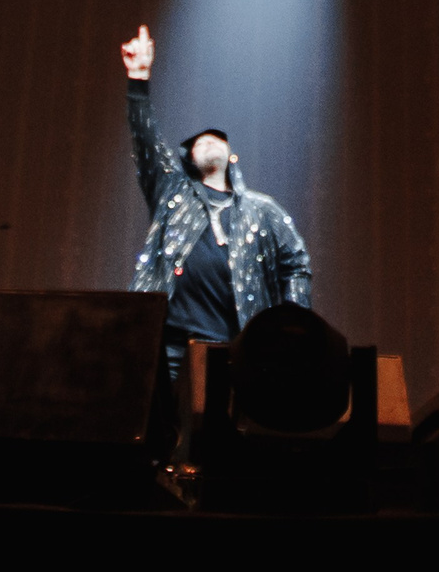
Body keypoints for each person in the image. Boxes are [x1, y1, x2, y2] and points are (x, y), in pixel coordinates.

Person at [120, 23, 312, 381]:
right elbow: (146, 144)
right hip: (167, 344)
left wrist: (291, 326)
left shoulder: (263, 209)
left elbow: (297, 264)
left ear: (231, 155)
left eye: (216, 140)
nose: (208, 142)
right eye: (199, 142)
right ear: (188, 159)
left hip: (234, 348)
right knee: (159, 427)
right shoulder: (173, 192)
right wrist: (138, 80)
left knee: (220, 431)